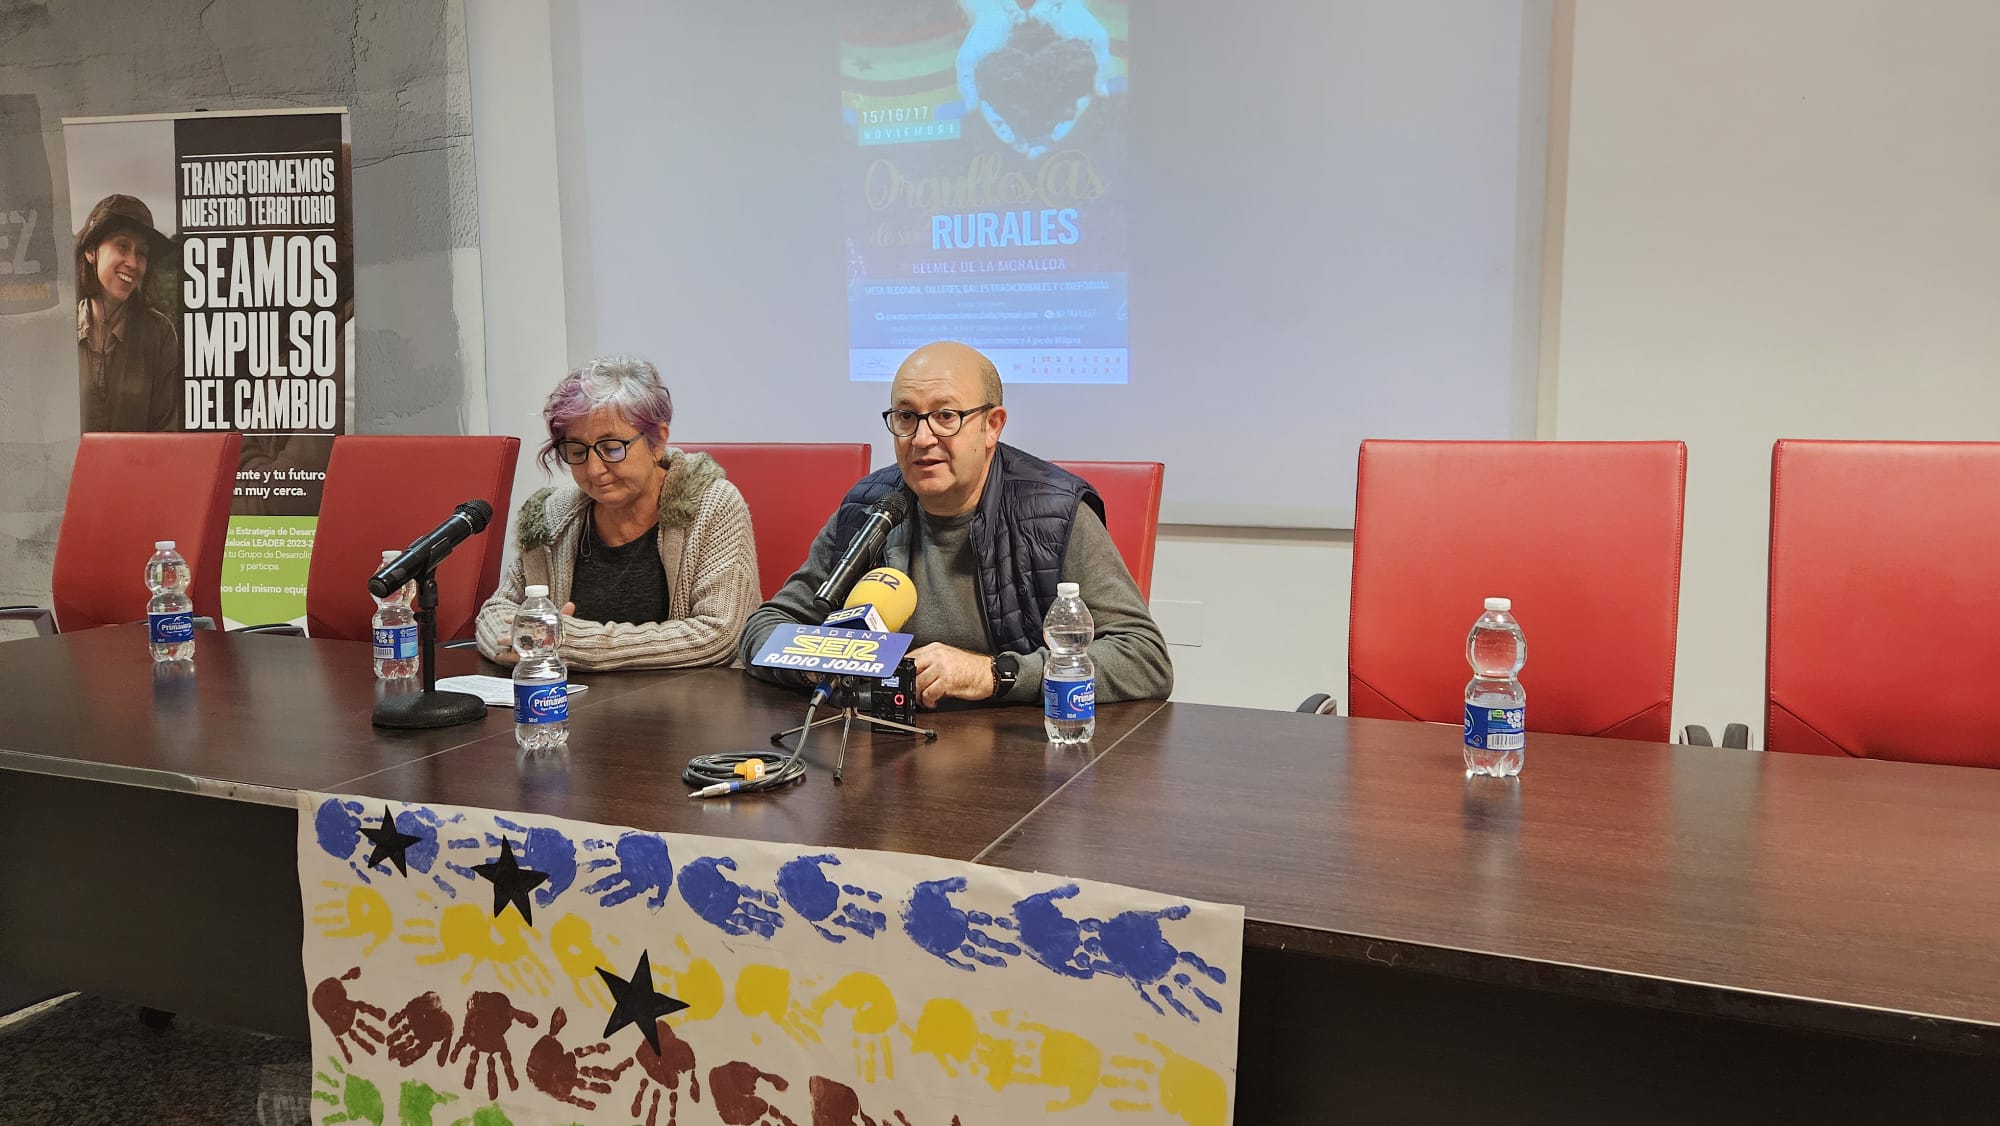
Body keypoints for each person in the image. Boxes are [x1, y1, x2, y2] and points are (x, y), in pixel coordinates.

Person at [740, 340, 1171, 708]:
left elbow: (1144, 658)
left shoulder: (1054, 513)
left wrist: (995, 675)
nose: (922, 438)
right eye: (906, 417)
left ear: (992, 425)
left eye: (946, 416)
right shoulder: (868, 507)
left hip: (1017, 761)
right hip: (880, 754)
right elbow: (767, 627)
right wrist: (828, 666)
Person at [475, 356, 760, 671]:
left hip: (689, 706)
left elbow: (718, 635)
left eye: (611, 448)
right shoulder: (551, 516)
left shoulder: (711, 505)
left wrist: (573, 643)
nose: (594, 470)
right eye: (577, 451)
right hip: (569, 702)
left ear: (657, 441)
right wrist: (516, 643)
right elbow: (496, 611)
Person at [75, 194, 180, 432]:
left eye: (141, 253)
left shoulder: (159, 335)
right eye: (122, 246)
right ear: (91, 251)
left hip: (139, 469)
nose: (132, 262)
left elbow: (167, 432)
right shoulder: (54, 332)